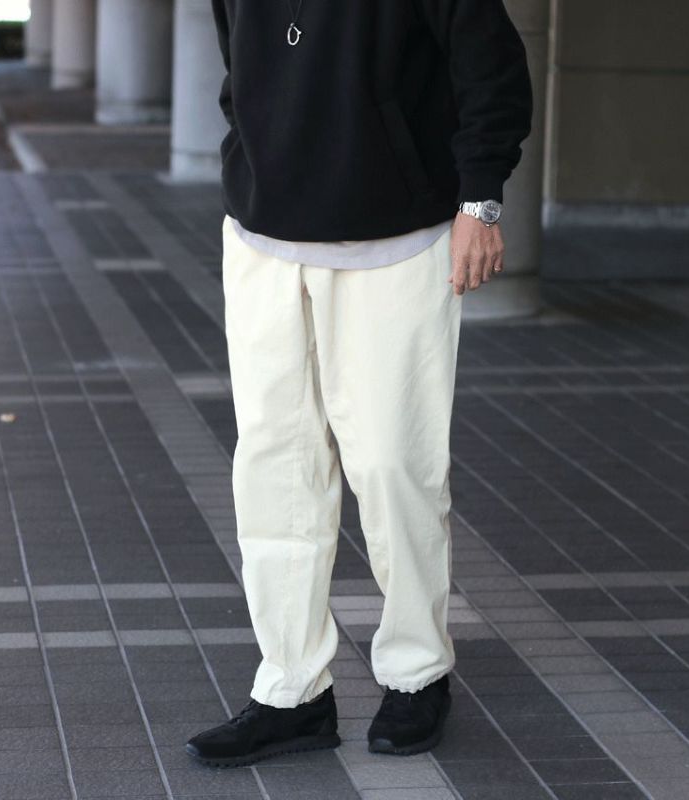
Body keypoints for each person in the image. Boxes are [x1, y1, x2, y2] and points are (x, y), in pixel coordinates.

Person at [186, 0, 533, 767]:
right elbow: (239, 67)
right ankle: (292, 689)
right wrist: (255, 153)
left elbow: (493, 71)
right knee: (274, 468)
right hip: (263, 239)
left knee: (393, 465)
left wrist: (479, 202)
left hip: (396, 240)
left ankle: (417, 672)